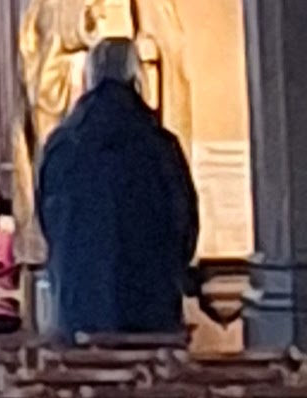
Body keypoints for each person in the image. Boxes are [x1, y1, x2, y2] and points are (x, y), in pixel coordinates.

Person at [32, 35, 199, 339]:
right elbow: (183, 221)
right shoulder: (159, 146)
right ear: (136, 77)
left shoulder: (63, 145)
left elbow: (47, 220)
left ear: (89, 77)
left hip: (79, 303)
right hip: (150, 305)